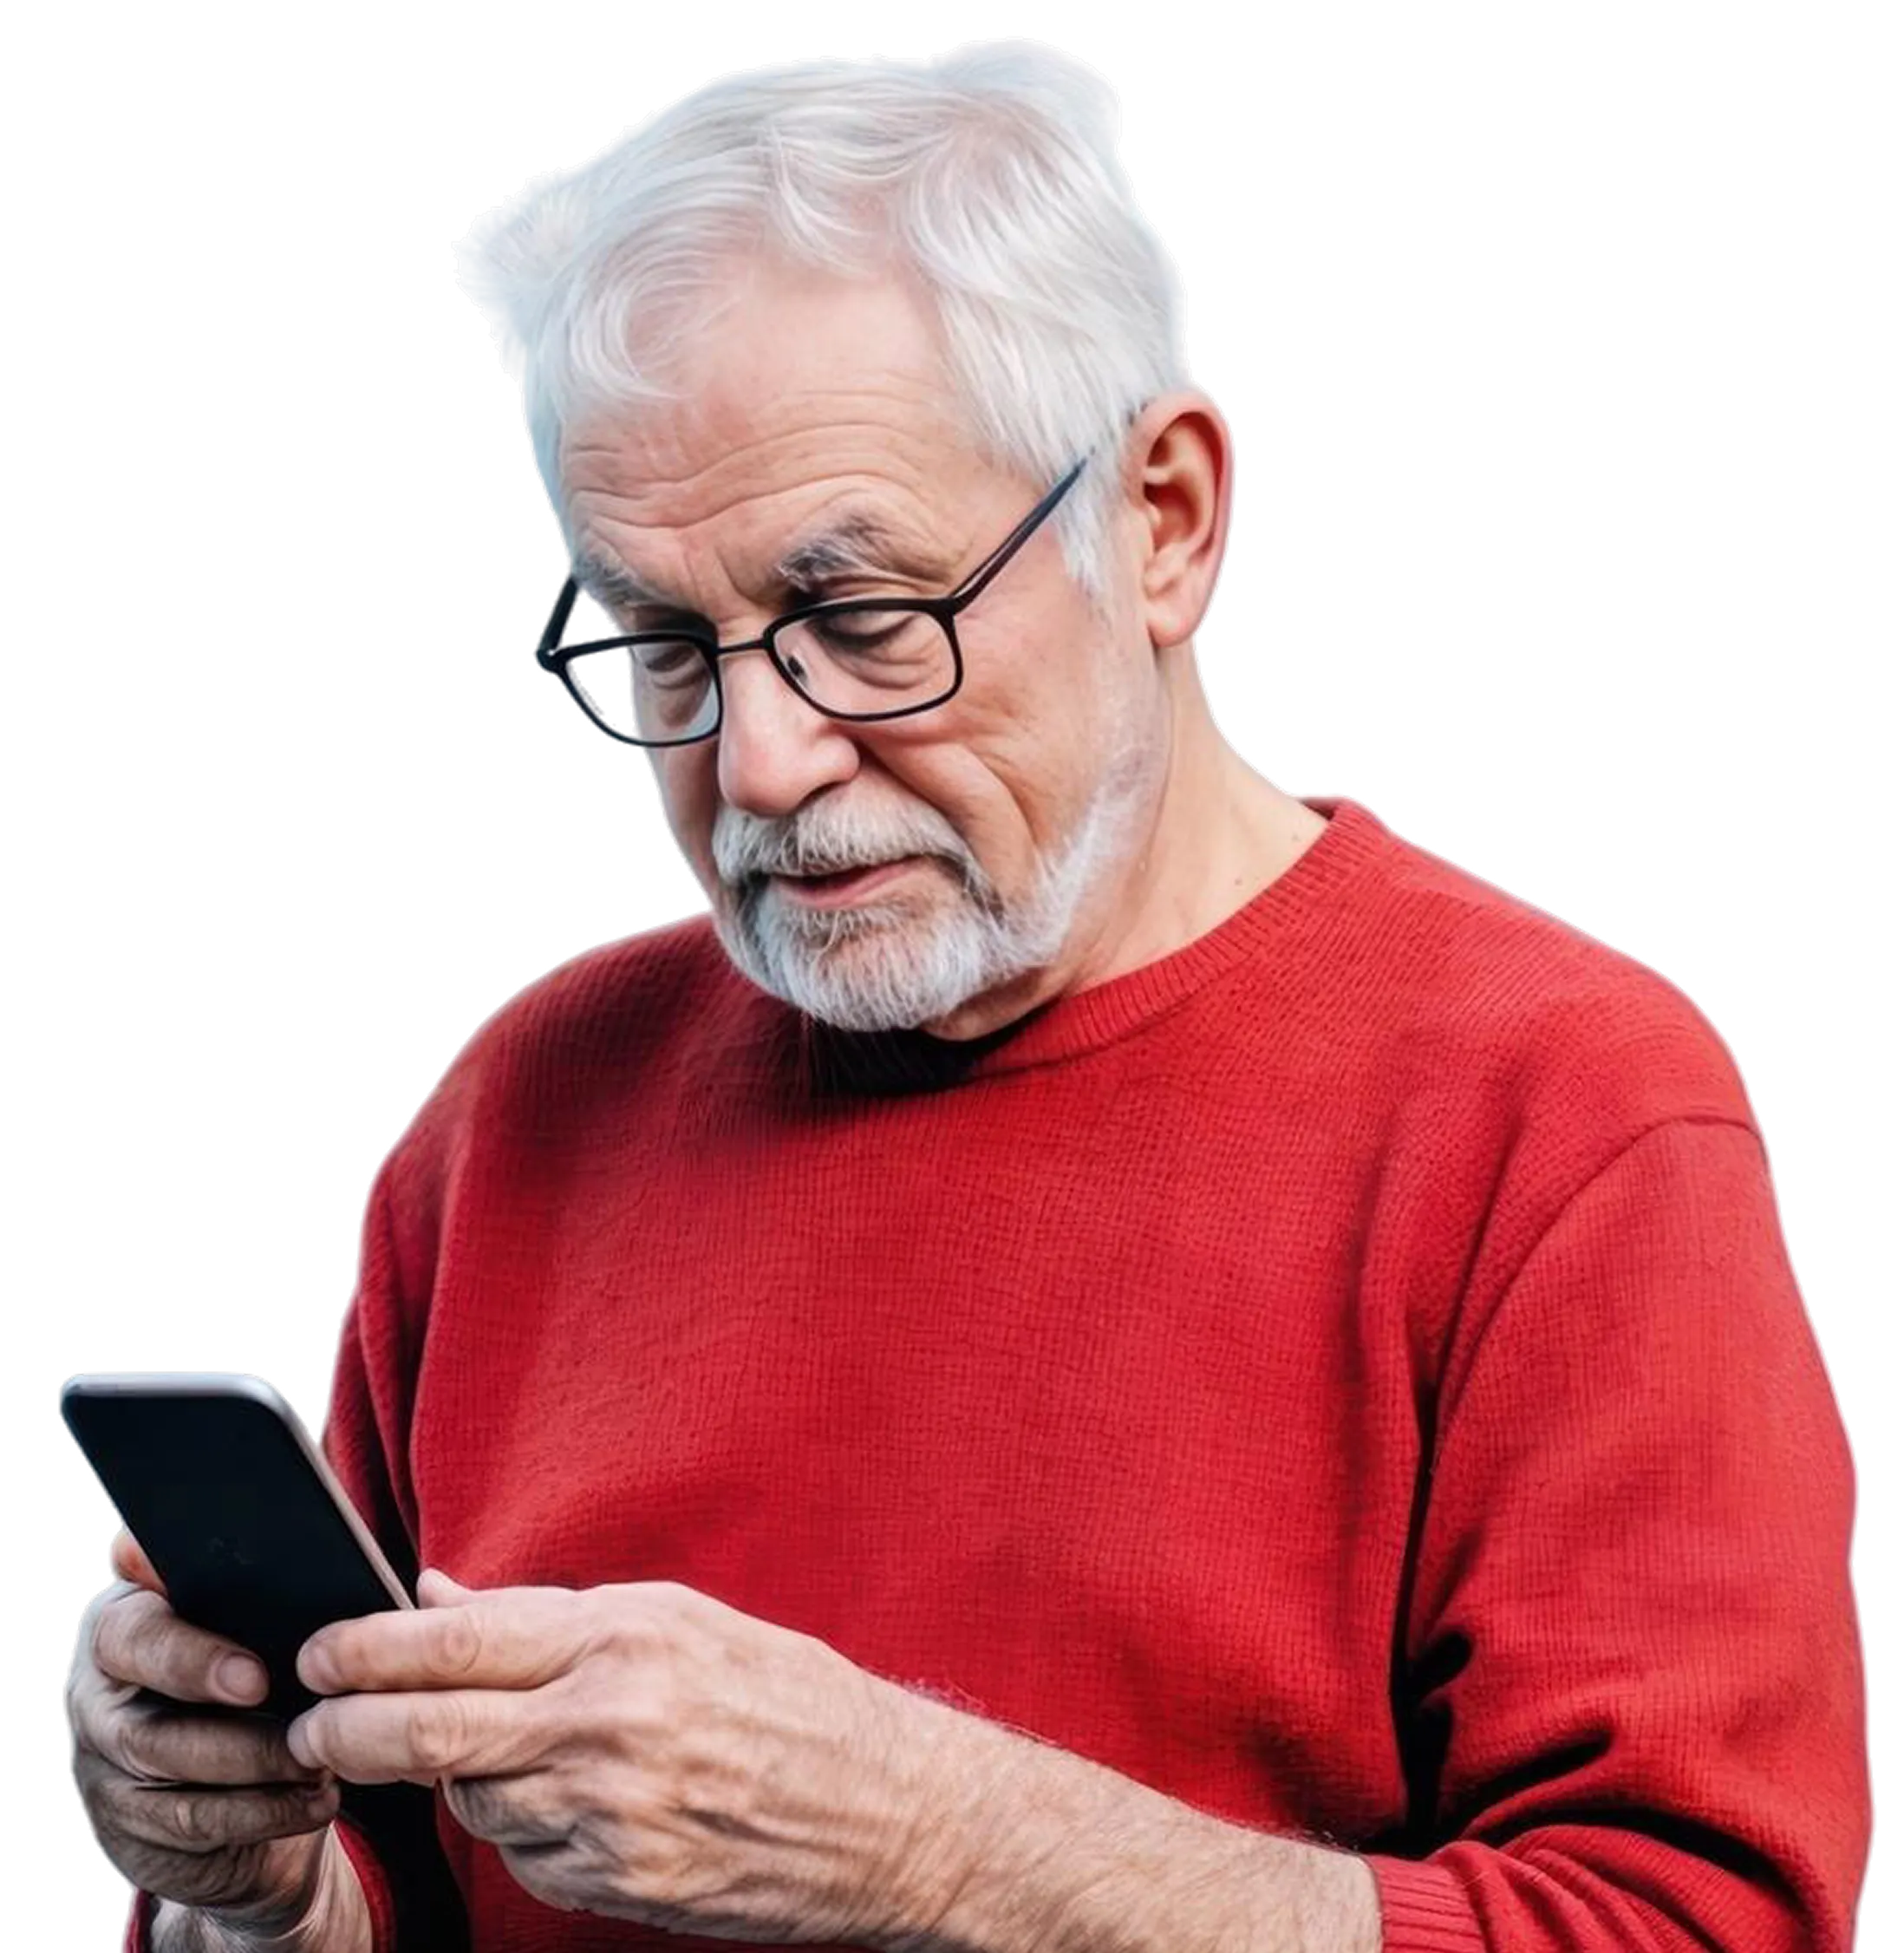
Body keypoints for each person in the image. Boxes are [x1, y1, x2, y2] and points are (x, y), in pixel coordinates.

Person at [68, 39, 1871, 1952]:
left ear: (1164, 522)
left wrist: (935, 1844)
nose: (759, 763)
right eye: (663, 645)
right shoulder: (521, 1109)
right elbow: (402, 1900)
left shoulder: (1569, 1110)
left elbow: (1697, 1930)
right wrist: (260, 1898)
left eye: (862, 622)